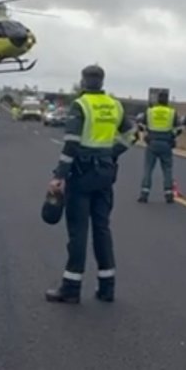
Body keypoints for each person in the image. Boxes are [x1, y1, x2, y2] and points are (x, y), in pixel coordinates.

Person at [45, 65, 133, 304]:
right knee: (102, 228)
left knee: (78, 231)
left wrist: (59, 176)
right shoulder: (115, 105)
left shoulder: (80, 105)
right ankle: (107, 288)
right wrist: (112, 153)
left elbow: (71, 144)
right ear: (102, 81)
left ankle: (71, 288)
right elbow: (132, 133)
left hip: (82, 174)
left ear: (83, 81)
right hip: (105, 174)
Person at [137, 90, 183, 203]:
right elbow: (180, 128)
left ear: (157, 99)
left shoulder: (150, 111)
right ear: (167, 100)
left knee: (148, 169)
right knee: (167, 169)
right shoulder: (172, 113)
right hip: (166, 144)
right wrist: (172, 137)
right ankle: (168, 195)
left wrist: (146, 134)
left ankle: (144, 194)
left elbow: (140, 125)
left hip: (152, 143)